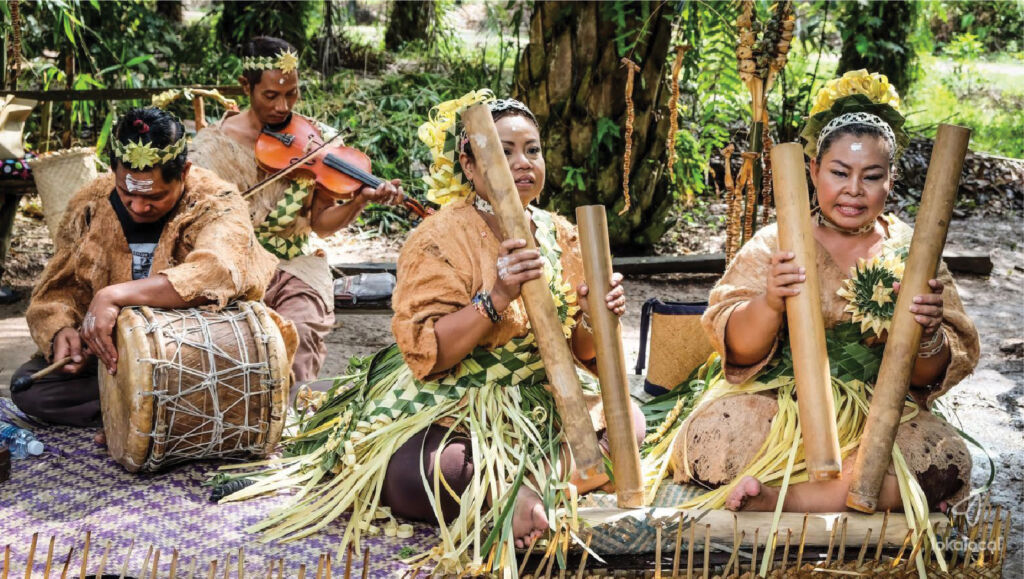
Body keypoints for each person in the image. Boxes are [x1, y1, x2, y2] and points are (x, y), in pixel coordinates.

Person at [218, 93, 644, 574]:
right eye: (503, 152)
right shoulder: (439, 236)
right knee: (418, 471)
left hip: (542, 394)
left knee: (628, 420)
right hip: (459, 394)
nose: (522, 163)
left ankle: (518, 484)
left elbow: (582, 353)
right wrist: (497, 296)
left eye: (533, 150)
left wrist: (594, 316)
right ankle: (516, 486)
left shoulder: (562, 233)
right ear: (468, 162)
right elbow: (432, 353)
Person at [657, 70, 979, 517]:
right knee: (712, 440)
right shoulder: (776, 241)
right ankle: (847, 493)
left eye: (871, 176)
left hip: (881, 414)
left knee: (948, 462)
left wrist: (927, 334)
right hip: (777, 402)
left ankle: (780, 498)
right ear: (812, 170)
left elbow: (928, 378)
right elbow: (736, 346)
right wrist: (771, 302)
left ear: (891, 179)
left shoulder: (915, 251)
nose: (853, 190)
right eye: (839, 173)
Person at [11, 107, 279, 427]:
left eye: (155, 197)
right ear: (114, 173)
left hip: (192, 359)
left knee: (245, 374)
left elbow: (218, 270)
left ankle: (136, 415)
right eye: (126, 193)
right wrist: (61, 332)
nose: (139, 207)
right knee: (32, 387)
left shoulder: (216, 199)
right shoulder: (92, 203)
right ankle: (148, 413)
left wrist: (115, 295)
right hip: (119, 361)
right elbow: (60, 289)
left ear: (184, 172)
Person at [189, 36, 405, 389]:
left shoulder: (314, 141)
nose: (283, 106)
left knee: (300, 331)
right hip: (233, 264)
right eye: (270, 95)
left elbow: (321, 225)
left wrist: (359, 200)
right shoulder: (213, 148)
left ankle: (291, 420)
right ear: (246, 87)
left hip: (295, 266)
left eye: (292, 94)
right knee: (228, 343)